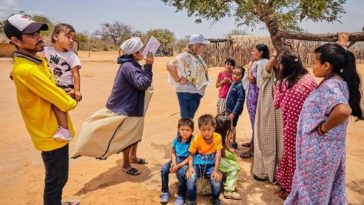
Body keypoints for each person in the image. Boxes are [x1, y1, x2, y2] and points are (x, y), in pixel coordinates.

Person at [4, 14, 78, 205]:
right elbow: (65, 103)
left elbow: (51, 88)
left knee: (58, 177)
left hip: (53, 129)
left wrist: (62, 93)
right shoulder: (28, 70)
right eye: (31, 34)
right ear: (15, 41)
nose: (39, 37)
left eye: (38, 32)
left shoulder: (34, 60)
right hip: (51, 133)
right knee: (57, 179)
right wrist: (71, 98)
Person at [285, 43, 363, 204]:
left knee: (311, 194)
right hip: (327, 150)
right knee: (323, 191)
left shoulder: (331, 86)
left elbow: (343, 110)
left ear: (327, 66)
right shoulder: (337, 80)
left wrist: (323, 128)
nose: (312, 66)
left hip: (319, 153)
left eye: (314, 62)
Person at [73, 37, 154, 175]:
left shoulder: (131, 63)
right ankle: (126, 164)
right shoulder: (129, 66)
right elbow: (142, 84)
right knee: (128, 135)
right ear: (134, 53)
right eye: (141, 50)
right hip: (126, 107)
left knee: (135, 133)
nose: (144, 52)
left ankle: (133, 157)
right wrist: (149, 65)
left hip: (132, 105)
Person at [273, 49, 317, 199]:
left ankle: (292, 190)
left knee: (292, 157)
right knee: (302, 158)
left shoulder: (285, 84)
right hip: (311, 127)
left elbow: (276, 104)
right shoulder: (309, 79)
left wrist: (277, 83)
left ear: (284, 66)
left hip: (292, 127)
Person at [42, 23, 82, 141]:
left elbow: (76, 74)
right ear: (55, 36)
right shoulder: (46, 51)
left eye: (73, 39)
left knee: (57, 104)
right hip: (52, 85)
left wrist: (77, 90)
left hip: (66, 86)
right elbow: (32, 60)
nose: (71, 41)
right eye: (68, 37)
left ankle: (65, 130)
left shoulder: (72, 56)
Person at [250, 46, 284, 183]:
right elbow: (266, 71)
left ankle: (269, 171)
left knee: (269, 138)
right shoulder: (269, 73)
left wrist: (275, 55)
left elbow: (266, 71)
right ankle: (268, 171)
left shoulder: (277, 75)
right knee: (270, 138)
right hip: (270, 107)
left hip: (271, 108)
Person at [167, 34, 210, 118]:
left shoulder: (195, 56)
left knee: (188, 121)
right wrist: (178, 79)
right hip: (187, 93)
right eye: (203, 45)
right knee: (186, 122)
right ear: (196, 45)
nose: (205, 47)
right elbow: (170, 65)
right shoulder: (185, 55)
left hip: (195, 93)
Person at [240, 44, 270, 158]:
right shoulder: (264, 63)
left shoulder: (260, 63)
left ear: (261, 52)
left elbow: (252, 80)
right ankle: (253, 141)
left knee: (255, 122)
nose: (252, 53)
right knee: (255, 121)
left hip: (255, 97)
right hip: (257, 95)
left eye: (254, 51)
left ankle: (253, 148)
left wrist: (248, 69)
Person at [186, 114, 222, 205]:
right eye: (203, 130)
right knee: (190, 178)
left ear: (214, 127)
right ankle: (191, 200)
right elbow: (191, 154)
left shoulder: (217, 137)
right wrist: (190, 167)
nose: (206, 132)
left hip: (210, 165)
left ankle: (216, 199)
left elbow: (218, 154)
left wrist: (215, 170)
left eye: (209, 129)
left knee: (216, 180)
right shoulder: (197, 139)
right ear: (200, 129)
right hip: (197, 164)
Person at [160, 118, 194, 205]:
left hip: (186, 161)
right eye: (182, 129)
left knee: (182, 173)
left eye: (187, 130)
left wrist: (178, 166)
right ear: (178, 130)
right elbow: (173, 152)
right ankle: (165, 192)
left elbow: (190, 157)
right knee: (164, 169)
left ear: (192, 131)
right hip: (176, 159)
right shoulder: (176, 139)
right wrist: (174, 162)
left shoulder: (192, 141)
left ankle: (181, 196)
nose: (185, 132)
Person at [215, 113, 242, 200]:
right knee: (235, 168)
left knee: (232, 156)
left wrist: (230, 150)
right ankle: (229, 191)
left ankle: (226, 176)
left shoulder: (218, 133)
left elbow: (224, 145)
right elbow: (220, 153)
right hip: (214, 159)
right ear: (225, 129)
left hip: (217, 156)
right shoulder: (217, 137)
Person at [225, 66, 246, 149]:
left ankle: (228, 144)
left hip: (233, 111)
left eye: (238, 75)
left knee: (232, 127)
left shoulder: (240, 86)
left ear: (242, 76)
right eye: (234, 74)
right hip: (229, 110)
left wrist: (234, 112)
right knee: (232, 126)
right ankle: (233, 142)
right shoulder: (234, 83)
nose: (235, 76)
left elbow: (240, 100)